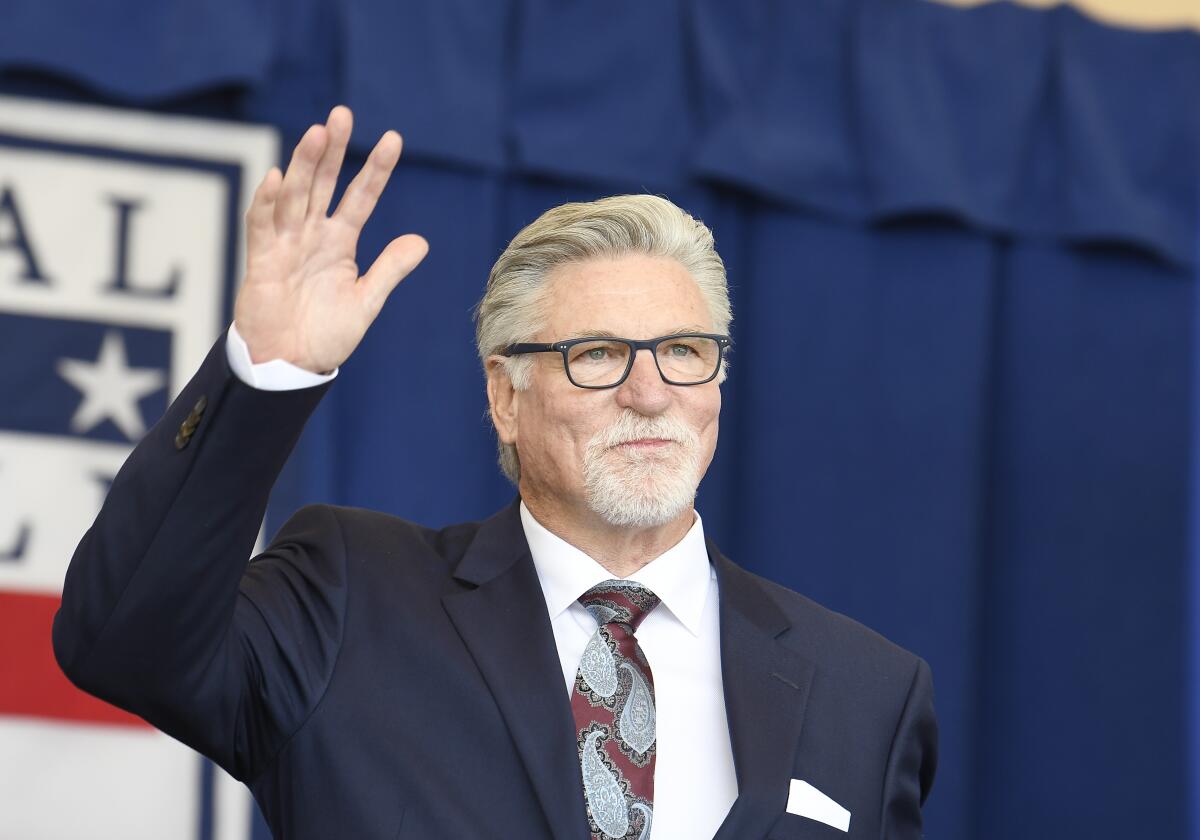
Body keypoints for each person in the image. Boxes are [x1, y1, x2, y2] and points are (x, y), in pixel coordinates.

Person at [53, 106, 936, 839]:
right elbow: (121, 640)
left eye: (684, 351)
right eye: (596, 354)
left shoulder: (868, 691)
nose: (649, 392)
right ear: (505, 396)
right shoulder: (350, 596)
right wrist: (267, 374)